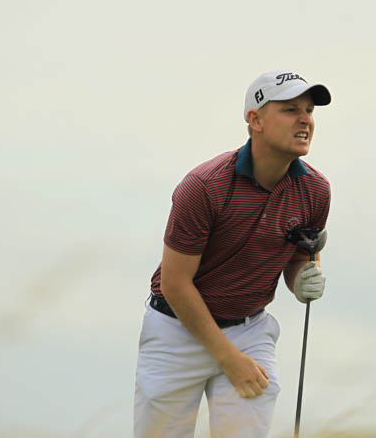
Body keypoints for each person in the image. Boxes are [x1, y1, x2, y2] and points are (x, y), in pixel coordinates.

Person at [134, 70, 332, 438]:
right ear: (255, 120)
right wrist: (229, 359)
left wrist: (303, 279)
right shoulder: (204, 187)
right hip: (175, 330)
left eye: (309, 110)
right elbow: (175, 284)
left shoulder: (316, 190)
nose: (305, 119)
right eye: (290, 110)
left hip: (249, 330)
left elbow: (299, 256)